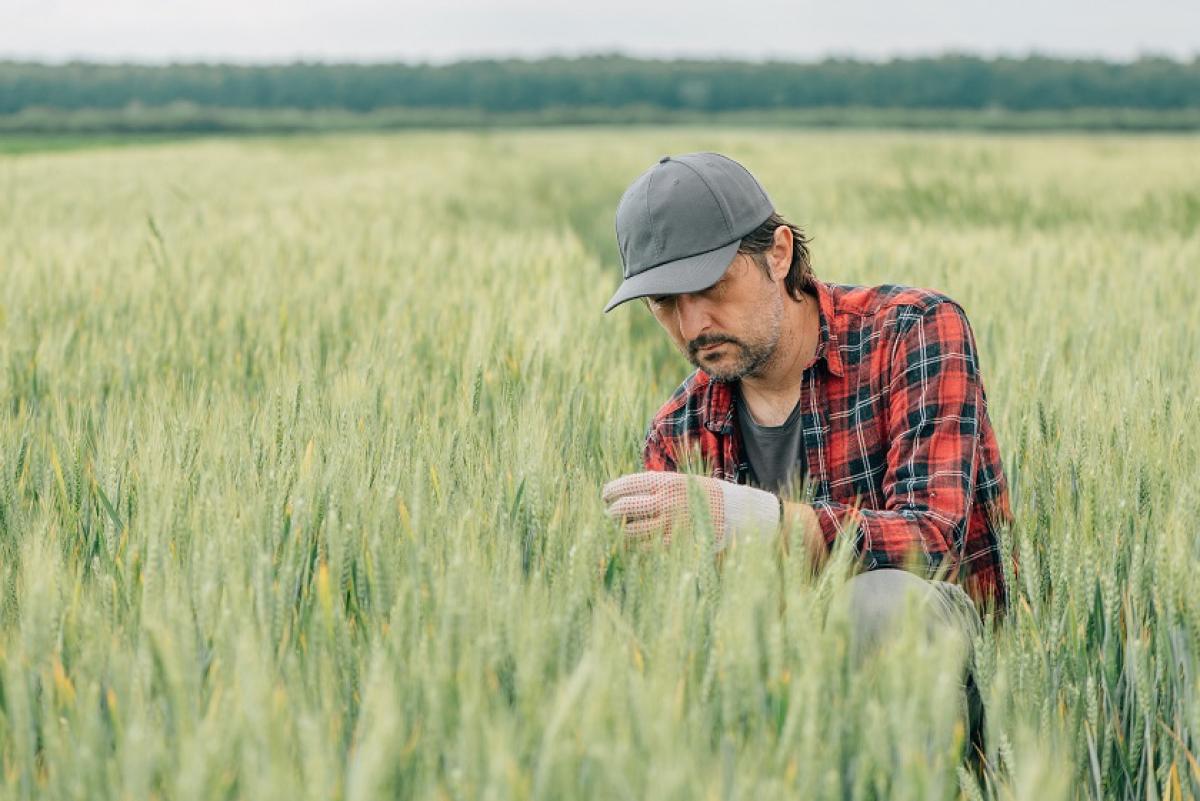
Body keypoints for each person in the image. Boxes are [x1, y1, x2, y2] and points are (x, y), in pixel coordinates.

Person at [599, 151, 1016, 770]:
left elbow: (934, 541)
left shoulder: (913, 332)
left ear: (779, 253)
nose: (692, 324)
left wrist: (762, 523)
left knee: (878, 604)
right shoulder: (678, 431)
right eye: (663, 302)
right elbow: (679, 625)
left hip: (955, 682)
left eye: (709, 285)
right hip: (782, 700)